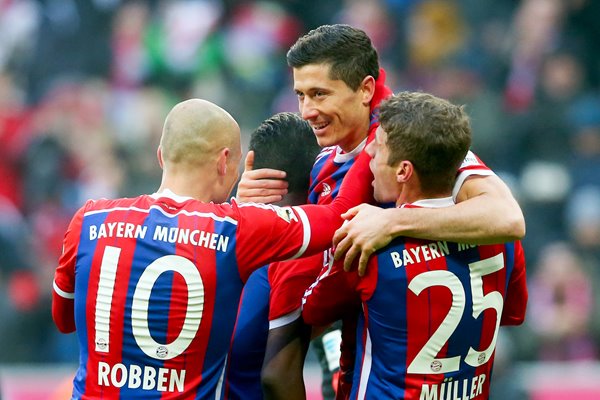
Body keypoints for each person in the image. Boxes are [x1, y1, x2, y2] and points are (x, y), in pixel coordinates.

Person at [236, 24, 525, 400]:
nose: (307, 111)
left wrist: (392, 219)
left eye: (319, 94)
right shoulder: (324, 164)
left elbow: (509, 218)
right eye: (300, 95)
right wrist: (246, 211)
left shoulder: (415, 142)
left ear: (366, 90)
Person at [51, 98, 372, 399]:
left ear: (161, 155)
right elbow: (334, 217)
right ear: (225, 162)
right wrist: (373, 143)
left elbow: (64, 320)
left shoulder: (90, 218)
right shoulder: (236, 229)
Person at [302, 91, 528, 399]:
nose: (368, 159)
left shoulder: (368, 247)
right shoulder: (502, 241)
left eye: (377, 149)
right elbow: (511, 315)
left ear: (403, 171)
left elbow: (311, 314)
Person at [222, 112, 320, 399]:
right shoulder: (300, 253)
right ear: (317, 172)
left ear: (249, 163)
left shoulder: (208, 234)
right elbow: (278, 376)